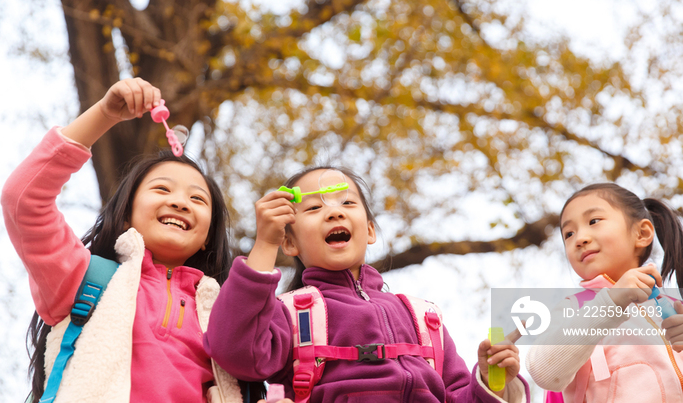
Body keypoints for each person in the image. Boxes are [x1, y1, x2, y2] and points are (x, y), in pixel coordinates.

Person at [1, 78, 263, 403]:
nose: (180, 202)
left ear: (208, 237)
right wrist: (105, 114)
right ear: (126, 216)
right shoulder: (85, 280)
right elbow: (23, 200)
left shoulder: (227, 318)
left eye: (197, 199)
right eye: (162, 189)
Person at [204, 166, 529, 402]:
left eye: (347, 203)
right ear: (289, 244)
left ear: (370, 230)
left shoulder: (424, 318)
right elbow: (235, 351)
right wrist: (264, 245)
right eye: (315, 208)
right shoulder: (289, 313)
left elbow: (460, 397)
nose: (334, 213)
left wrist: (490, 380)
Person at [526, 182, 683, 402]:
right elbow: (543, 371)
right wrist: (610, 302)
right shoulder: (574, 309)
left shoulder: (677, 308)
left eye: (594, 221)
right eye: (569, 234)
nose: (580, 239)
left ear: (642, 233)